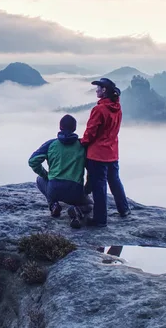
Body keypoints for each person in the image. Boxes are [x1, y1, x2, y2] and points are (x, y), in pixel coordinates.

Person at [80, 77, 131, 227]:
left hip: (97, 154)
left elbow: (91, 131)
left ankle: (100, 219)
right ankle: (124, 209)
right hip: (112, 152)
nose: (96, 90)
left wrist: (83, 142)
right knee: (114, 181)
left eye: (98, 88)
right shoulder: (117, 108)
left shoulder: (99, 109)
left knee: (99, 186)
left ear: (104, 91)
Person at [29, 114, 94, 229]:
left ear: (60, 127)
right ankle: (76, 210)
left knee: (40, 180)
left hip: (54, 188)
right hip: (75, 190)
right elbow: (92, 169)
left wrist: (46, 175)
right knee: (89, 204)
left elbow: (33, 161)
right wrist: (87, 188)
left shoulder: (51, 144)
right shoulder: (82, 145)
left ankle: (53, 205)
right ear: (74, 128)